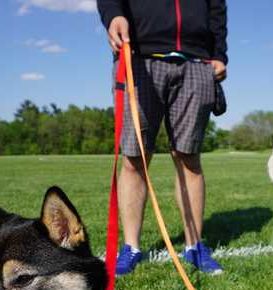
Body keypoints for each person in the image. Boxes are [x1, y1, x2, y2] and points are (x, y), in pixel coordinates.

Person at [97, 0, 228, 275]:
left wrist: (219, 54)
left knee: (189, 157)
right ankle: (131, 247)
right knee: (134, 159)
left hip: (196, 63)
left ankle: (194, 245)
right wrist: (113, 16)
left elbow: (216, 6)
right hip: (139, 59)